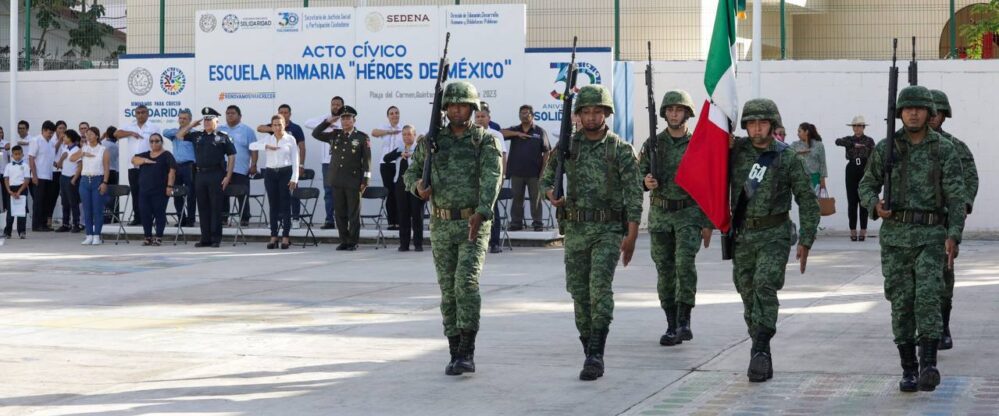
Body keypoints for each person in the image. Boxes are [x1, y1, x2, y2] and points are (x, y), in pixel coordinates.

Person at [859, 85, 966, 393]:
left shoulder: (943, 149)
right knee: (902, 303)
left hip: (932, 235)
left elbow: (956, 196)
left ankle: (928, 363)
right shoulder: (886, 148)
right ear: (900, 113)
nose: (914, 113)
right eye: (908, 109)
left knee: (929, 297)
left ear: (930, 113)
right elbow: (866, 185)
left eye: (920, 108)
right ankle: (908, 368)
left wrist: (954, 235)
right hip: (895, 238)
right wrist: (875, 206)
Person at [543, 85, 642, 381]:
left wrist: (632, 235)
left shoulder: (620, 149)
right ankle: (588, 347)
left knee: (599, 288)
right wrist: (551, 193)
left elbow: (634, 194)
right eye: (585, 112)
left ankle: (597, 352)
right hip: (575, 230)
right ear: (577, 116)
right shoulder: (566, 147)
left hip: (608, 231)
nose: (591, 117)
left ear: (606, 114)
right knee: (578, 292)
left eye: (597, 111)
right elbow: (546, 179)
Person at [404, 81, 502, 376]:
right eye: (452, 105)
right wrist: (417, 187)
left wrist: (483, 211)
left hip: (473, 222)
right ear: (444, 109)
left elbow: (492, 177)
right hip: (442, 223)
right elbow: (410, 173)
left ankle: (467, 350)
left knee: (466, 284)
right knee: (448, 290)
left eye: (463, 105)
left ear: (473, 108)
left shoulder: (484, 141)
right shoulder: (430, 142)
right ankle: (453, 348)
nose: (457, 110)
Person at [729, 98, 820, 383]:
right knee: (746, 292)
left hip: (774, 234)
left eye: (762, 123)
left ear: (772, 124)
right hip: (742, 234)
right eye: (752, 124)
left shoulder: (785, 156)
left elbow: (807, 200)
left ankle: (761, 350)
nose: (757, 129)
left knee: (764, 286)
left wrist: (806, 239)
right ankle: (758, 339)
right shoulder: (734, 152)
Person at [638, 90, 713, 347]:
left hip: (689, 214)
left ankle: (684, 321)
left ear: (687, 114)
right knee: (665, 270)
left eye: (678, 110)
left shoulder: (698, 144)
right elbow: (638, 176)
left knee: (684, 265)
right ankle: (671, 323)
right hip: (660, 215)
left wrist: (707, 222)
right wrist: (645, 182)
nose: (673, 114)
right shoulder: (652, 144)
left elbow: (708, 184)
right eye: (669, 110)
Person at [928, 89, 979, 352]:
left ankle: (943, 325)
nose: (934, 117)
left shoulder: (956, 147)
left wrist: (963, 205)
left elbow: (970, 179)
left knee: (945, 275)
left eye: (939, 112)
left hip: (946, 220)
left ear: (945, 115)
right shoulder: (903, 143)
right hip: (914, 222)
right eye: (931, 111)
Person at [311, 105, 370, 251]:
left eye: (348, 118)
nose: (345, 121)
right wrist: (329, 121)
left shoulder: (362, 137)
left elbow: (367, 162)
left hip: (353, 181)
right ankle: (344, 240)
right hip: (336, 180)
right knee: (340, 213)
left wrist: (365, 181)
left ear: (354, 120)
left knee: (353, 214)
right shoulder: (335, 135)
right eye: (343, 118)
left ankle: (353, 241)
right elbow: (316, 133)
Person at [178, 107, 236, 248]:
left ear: (217, 120)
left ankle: (216, 238)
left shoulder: (223, 136)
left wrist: (228, 175)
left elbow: (232, 156)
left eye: (210, 120)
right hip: (200, 174)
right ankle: (205, 238)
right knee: (202, 207)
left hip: (216, 174)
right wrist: (192, 125)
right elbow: (180, 135)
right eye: (205, 120)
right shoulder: (197, 135)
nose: (207, 122)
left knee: (215, 207)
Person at [502, 105, 551, 231]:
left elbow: (547, 152)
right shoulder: (515, 129)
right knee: (517, 199)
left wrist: (543, 171)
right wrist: (516, 134)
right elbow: (500, 133)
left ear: (532, 115)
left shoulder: (539, 131)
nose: (524, 115)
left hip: (534, 173)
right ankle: (516, 223)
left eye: (526, 113)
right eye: (521, 113)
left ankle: (537, 224)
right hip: (517, 172)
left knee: (536, 199)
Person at [259, 104, 307, 227]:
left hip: (289, 168)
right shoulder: (274, 127)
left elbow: (301, 147)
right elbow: (259, 128)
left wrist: (301, 165)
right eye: (282, 112)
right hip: (273, 169)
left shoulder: (295, 129)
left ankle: (295, 218)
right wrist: (275, 129)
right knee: (276, 197)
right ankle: (277, 219)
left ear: (290, 114)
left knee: (292, 193)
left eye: (286, 112)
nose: (284, 114)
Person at [302, 97, 345, 230]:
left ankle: (342, 220)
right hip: (327, 162)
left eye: (338, 104)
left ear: (342, 106)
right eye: (333, 104)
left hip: (342, 162)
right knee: (328, 192)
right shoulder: (325, 118)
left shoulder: (345, 120)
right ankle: (329, 220)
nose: (335, 106)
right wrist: (326, 122)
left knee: (342, 192)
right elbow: (307, 123)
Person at [258, 115, 300, 250]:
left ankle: (286, 236)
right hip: (270, 173)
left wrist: (294, 178)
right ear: (271, 126)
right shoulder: (268, 138)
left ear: (284, 125)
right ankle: (274, 235)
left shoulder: (290, 139)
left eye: (279, 124)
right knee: (273, 205)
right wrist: (266, 145)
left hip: (285, 172)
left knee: (285, 204)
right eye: (274, 125)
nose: (277, 127)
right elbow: (252, 145)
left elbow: (296, 159)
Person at [116, 105, 161, 226]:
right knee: (136, 193)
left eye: (143, 112)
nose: (140, 115)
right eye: (138, 112)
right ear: (135, 114)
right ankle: (137, 217)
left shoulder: (154, 127)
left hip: (148, 166)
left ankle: (150, 217)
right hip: (133, 166)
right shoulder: (130, 126)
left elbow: (158, 145)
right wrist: (131, 132)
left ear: (148, 114)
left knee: (148, 193)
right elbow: (116, 134)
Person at [834, 116, 876, 241]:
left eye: (859, 126)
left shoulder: (869, 140)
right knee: (852, 201)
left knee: (863, 201)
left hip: (864, 169)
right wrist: (853, 144)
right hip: (852, 168)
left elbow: (873, 154)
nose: (856, 128)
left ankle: (863, 230)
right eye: (854, 126)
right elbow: (837, 141)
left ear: (863, 127)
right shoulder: (849, 139)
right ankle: (853, 230)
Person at [383, 125, 424, 252]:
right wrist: (398, 154)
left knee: (417, 214)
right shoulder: (400, 148)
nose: (406, 137)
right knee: (403, 214)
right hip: (400, 185)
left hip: (415, 185)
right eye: (404, 134)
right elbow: (386, 158)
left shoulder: (419, 149)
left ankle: (418, 244)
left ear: (414, 135)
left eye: (409, 134)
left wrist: (411, 155)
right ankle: (404, 244)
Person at [132, 133, 177, 246]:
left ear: (162, 142)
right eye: (151, 141)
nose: (154, 143)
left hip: (160, 190)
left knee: (159, 213)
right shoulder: (145, 155)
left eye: (157, 141)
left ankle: (158, 237)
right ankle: (148, 237)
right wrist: (145, 161)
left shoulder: (167, 155)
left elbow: (172, 171)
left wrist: (170, 186)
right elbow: (134, 160)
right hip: (144, 191)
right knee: (145, 213)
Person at [476, 102, 509, 254]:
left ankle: (494, 243)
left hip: (491, 180)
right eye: (477, 116)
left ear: (489, 118)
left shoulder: (496, 135)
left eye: (483, 116)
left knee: (492, 211)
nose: (480, 119)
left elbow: (503, 156)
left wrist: (502, 176)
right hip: (474, 180)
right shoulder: (470, 134)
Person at [219, 105, 258, 227]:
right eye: (227, 113)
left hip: (240, 169)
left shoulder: (247, 130)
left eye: (233, 113)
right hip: (222, 169)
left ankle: (244, 218)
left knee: (242, 194)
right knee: (222, 194)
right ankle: (224, 218)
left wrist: (254, 164)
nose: (230, 115)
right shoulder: (219, 129)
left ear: (240, 116)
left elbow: (254, 150)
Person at [73, 127, 110, 245]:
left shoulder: (103, 149)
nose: (88, 136)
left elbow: (106, 168)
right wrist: (83, 153)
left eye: (91, 134)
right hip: (84, 180)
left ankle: (97, 235)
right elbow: (71, 158)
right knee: (86, 209)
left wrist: (104, 182)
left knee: (97, 209)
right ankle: (89, 234)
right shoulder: (84, 148)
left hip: (97, 179)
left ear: (97, 136)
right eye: (87, 134)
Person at [163, 109, 197, 227]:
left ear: (190, 120)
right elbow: (164, 132)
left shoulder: (194, 134)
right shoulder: (174, 133)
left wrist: (187, 129)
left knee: (191, 193)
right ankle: (181, 218)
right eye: (180, 118)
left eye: (185, 118)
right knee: (176, 192)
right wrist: (181, 130)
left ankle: (191, 219)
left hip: (189, 166)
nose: (182, 120)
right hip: (176, 166)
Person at [372, 106, 404, 231]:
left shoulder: (403, 129)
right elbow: (374, 132)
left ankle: (400, 221)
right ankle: (392, 222)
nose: (394, 115)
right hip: (385, 164)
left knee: (399, 192)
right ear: (388, 116)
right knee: (389, 192)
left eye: (396, 113)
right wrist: (389, 132)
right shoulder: (384, 127)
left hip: (398, 164)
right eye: (391, 113)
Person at [28, 121, 58, 232]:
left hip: (49, 176)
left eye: (52, 133)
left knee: (47, 201)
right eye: (49, 132)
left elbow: (49, 159)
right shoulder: (36, 140)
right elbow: (31, 158)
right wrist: (34, 175)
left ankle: (44, 224)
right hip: (39, 176)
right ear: (43, 130)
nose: (51, 135)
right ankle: (36, 225)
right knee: (38, 201)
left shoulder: (51, 143)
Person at [55, 129, 82, 233]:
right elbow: (60, 165)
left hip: (72, 177)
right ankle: (65, 224)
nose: (63, 138)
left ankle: (76, 223)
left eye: (65, 137)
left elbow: (80, 165)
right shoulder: (64, 148)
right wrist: (61, 159)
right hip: (63, 176)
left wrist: (75, 178)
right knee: (64, 201)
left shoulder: (76, 150)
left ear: (70, 138)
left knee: (73, 201)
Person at [791, 122, 828, 193]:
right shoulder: (795, 145)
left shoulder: (819, 145)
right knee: (803, 201)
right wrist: (799, 152)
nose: (797, 134)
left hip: (815, 178)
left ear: (806, 132)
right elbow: (787, 153)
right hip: (800, 178)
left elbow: (822, 163)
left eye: (799, 131)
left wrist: (822, 180)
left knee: (816, 201)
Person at [4, 146, 29, 239]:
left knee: (21, 212)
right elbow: (6, 179)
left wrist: (19, 192)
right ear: (12, 155)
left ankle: (22, 231)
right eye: (16, 154)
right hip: (11, 189)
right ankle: (8, 232)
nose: (18, 156)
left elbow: (27, 180)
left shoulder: (25, 166)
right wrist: (9, 191)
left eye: (19, 154)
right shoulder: (8, 166)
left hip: (22, 188)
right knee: (10, 212)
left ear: (22, 154)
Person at [101, 126, 120, 223]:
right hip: (114, 171)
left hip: (104, 171)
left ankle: (105, 216)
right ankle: (114, 216)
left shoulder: (102, 144)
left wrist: (102, 137)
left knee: (104, 193)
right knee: (114, 194)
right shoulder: (117, 146)